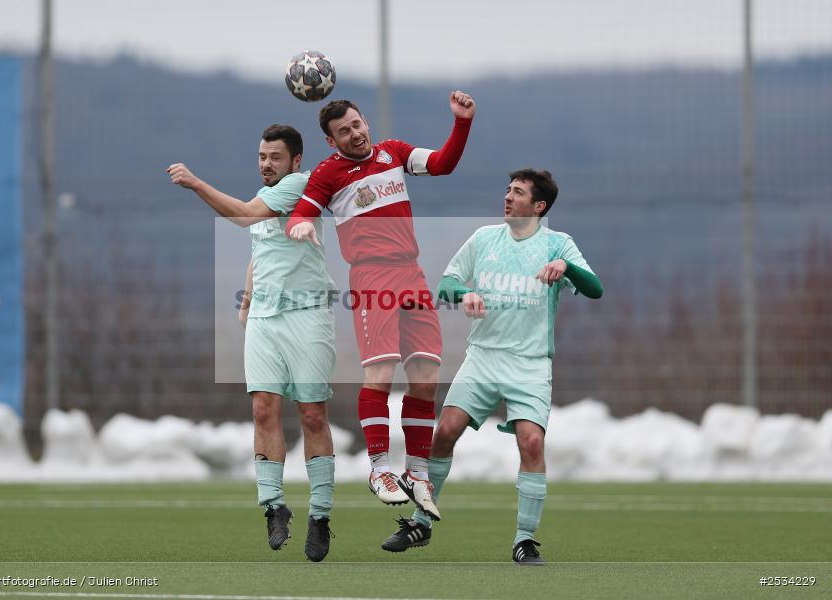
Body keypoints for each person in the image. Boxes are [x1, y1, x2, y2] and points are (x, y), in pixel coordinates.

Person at [381, 168, 603, 562]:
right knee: (445, 431)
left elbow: (595, 289)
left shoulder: (557, 244)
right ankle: (421, 522)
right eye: (507, 189)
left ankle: (525, 539)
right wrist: (464, 294)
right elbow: (446, 284)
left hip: (530, 364)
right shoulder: (484, 238)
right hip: (482, 358)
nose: (507, 197)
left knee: (532, 442)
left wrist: (567, 268)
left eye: (517, 192)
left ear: (538, 206)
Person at [285, 92, 476, 522]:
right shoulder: (328, 174)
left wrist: (461, 123)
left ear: (365, 121)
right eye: (343, 132)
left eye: (357, 125)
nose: (354, 134)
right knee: (381, 374)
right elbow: (301, 213)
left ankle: (418, 472)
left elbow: (443, 163)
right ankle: (378, 468)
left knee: (427, 376)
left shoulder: (393, 152)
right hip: (371, 277)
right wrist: (299, 227)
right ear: (331, 142)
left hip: (411, 272)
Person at [166, 124, 338, 562]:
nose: (266, 163)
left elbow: (243, 216)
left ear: (295, 161)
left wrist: (195, 182)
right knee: (263, 407)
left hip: (308, 315)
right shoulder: (269, 197)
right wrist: (245, 302)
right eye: (262, 156)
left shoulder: (299, 185)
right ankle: (273, 505)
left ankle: (320, 516)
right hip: (265, 316)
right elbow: (260, 246)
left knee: (313, 415)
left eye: (275, 157)